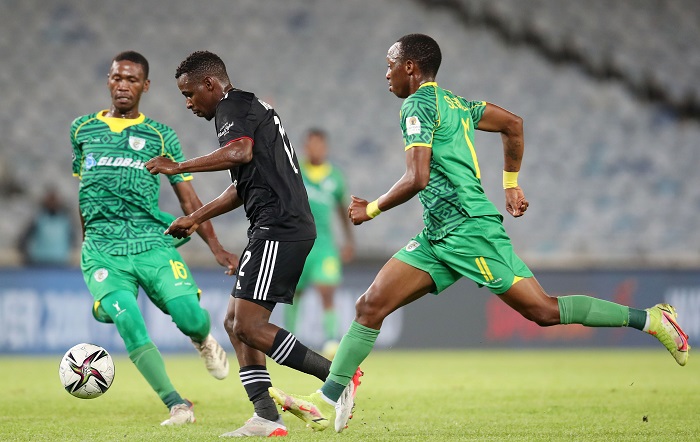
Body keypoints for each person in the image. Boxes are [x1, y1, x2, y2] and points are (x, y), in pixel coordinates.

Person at [268, 33, 691, 432]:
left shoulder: (416, 106)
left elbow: (416, 177)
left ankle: (652, 319)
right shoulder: (457, 103)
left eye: (390, 65)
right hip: (437, 233)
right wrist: (510, 183)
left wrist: (372, 208)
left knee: (541, 310)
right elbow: (514, 124)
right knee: (370, 305)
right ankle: (331, 395)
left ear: (410, 68)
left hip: (469, 230)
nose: (386, 74)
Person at [144, 50, 361, 437]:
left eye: (190, 94)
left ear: (211, 84)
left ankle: (339, 378)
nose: (189, 103)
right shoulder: (244, 109)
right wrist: (195, 217)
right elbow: (240, 185)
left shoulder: (233, 106)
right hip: (272, 225)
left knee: (248, 324)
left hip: (279, 225)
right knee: (233, 323)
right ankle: (266, 415)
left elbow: (239, 152)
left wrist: (178, 166)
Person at [70, 51, 238, 426]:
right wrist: (86, 243)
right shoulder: (81, 130)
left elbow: (189, 200)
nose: (122, 85)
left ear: (145, 86)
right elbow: (86, 195)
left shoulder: (160, 136)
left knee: (190, 317)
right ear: (109, 81)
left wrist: (216, 249)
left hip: (150, 240)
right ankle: (177, 404)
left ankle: (202, 339)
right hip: (103, 250)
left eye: (131, 79)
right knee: (130, 321)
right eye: (117, 78)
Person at [284, 128, 355, 360]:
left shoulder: (335, 177)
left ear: (325, 147)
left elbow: (341, 209)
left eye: (319, 145)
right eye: (311, 145)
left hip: (324, 245)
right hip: (297, 244)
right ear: (306, 147)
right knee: (295, 293)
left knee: (327, 290)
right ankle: (289, 340)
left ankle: (331, 339)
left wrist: (349, 240)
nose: (315, 149)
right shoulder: (296, 171)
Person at [18, 188, 77, 266]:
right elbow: (23, 239)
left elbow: (73, 239)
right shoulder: (38, 218)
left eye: (54, 200)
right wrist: (27, 256)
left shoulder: (65, 220)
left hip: (60, 263)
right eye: (50, 200)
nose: (52, 203)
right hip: (39, 262)